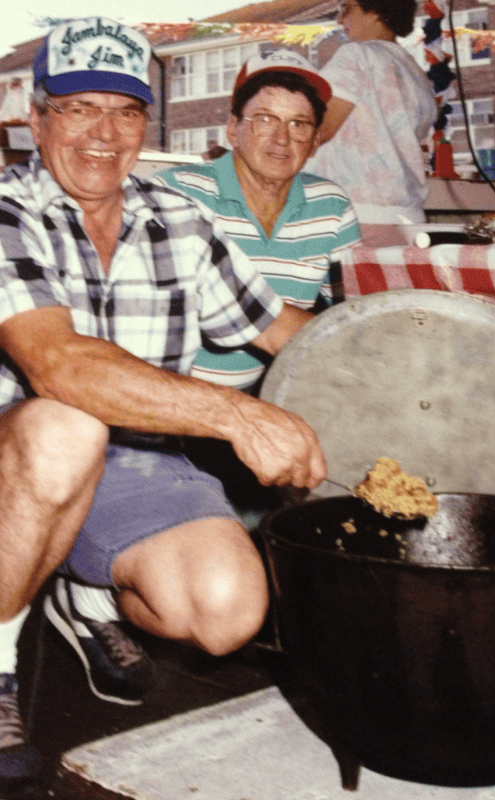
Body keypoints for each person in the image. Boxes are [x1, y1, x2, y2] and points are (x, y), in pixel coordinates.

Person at [0, 18, 327, 783]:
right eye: (79, 108)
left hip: (136, 466)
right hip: (14, 452)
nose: (104, 134)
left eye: (125, 111)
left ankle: (85, 595)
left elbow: (281, 329)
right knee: (64, 430)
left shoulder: (178, 216)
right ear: (37, 116)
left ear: (147, 123)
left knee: (227, 613)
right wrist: (236, 414)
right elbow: (59, 367)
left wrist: (420, 352)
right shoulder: (8, 211)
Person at [156, 50, 361, 393]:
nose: (282, 139)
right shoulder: (176, 192)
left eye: (299, 124)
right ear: (233, 129)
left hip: (268, 394)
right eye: (265, 119)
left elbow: (353, 316)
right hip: (169, 401)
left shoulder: (331, 205)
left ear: (313, 142)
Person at [307, 0, 437, 246]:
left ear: (376, 10)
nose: (339, 19)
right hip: (406, 220)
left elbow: (315, 131)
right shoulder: (413, 70)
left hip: (356, 217)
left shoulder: (356, 56)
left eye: (346, 8)